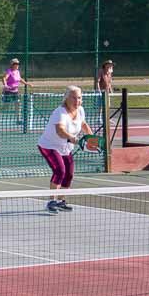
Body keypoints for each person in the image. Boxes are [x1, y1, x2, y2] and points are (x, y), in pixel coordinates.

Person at [37, 85, 92, 214]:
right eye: (73, 97)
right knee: (60, 170)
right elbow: (60, 131)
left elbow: (83, 124)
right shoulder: (59, 112)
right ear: (67, 98)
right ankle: (52, 201)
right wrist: (73, 138)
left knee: (69, 174)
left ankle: (61, 202)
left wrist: (91, 137)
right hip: (49, 145)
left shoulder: (80, 110)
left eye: (79, 98)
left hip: (65, 148)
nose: (76, 101)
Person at [1, 58, 33, 124]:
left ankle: (18, 120)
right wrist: (5, 85)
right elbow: (4, 78)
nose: (17, 65)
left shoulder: (17, 71)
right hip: (8, 91)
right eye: (16, 64)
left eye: (18, 64)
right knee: (6, 106)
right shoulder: (9, 71)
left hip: (15, 91)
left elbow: (20, 79)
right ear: (12, 64)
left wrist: (27, 83)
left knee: (18, 104)